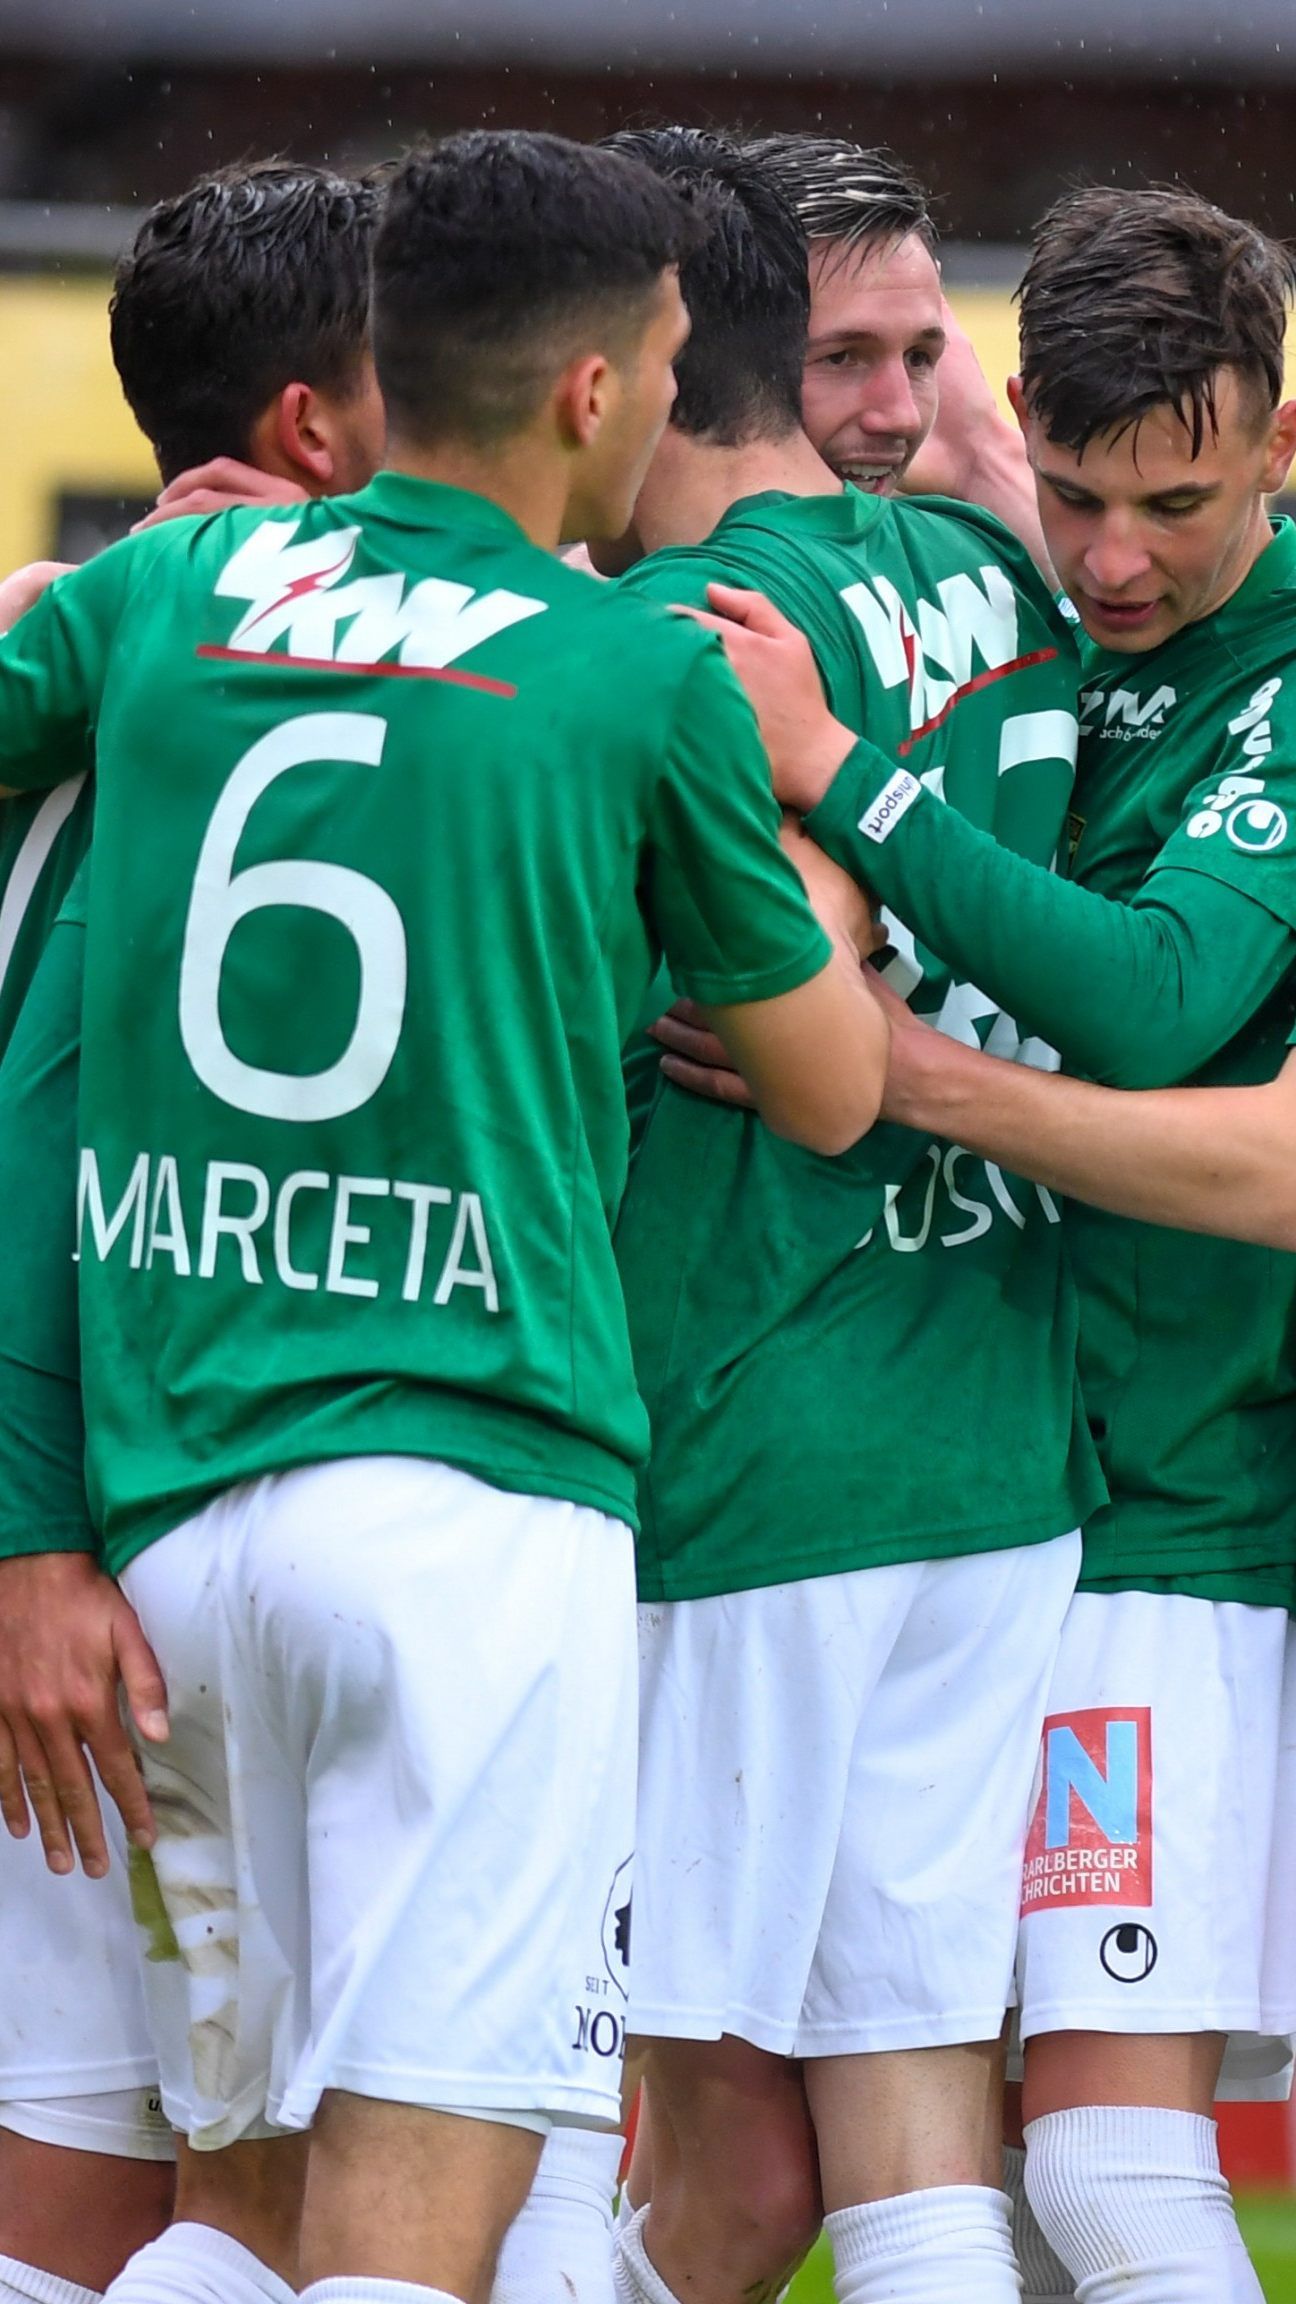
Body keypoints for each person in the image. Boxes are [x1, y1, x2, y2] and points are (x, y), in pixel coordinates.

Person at [0, 129, 887, 2304]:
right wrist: (833, 816)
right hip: (476, 1523)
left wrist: (59, 600)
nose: (682, 410)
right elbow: (833, 1086)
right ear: (595, 392)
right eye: (675, 364)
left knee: (243, 2198)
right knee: (419, 2222)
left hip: (187, 1521)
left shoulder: (160, 596)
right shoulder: (632, 673)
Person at [687, 184, 1296, 2304]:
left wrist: (846, 812)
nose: (1122, 560)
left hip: (1186, 1520)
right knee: (946, 2171)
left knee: (1117, 2177)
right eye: (1086, 492)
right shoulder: (988, 585)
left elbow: (1151, 1009)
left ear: (1284, 451)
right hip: (1009, 1477)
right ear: (1014, 418)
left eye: (1185, 506)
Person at [587, 126, 1098, 2304]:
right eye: (854, 357)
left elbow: (789, 997)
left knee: (613, 2124)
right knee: (902, 2120)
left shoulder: (673, 620)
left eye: (925, 358)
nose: (897, 407)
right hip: (985, 1438)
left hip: (747, 1437)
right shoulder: (998, 574)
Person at [0, 158, 387, 2304]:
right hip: (107, 1547)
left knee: (100, 2189)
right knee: (262, 2181)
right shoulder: (206, 701)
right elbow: (38, 1125)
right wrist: (33, 1537)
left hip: (97, 1527)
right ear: (324, 430)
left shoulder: (112, 650)